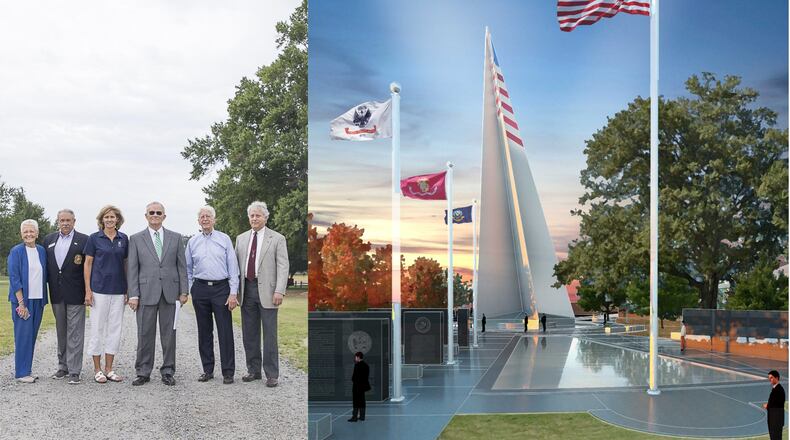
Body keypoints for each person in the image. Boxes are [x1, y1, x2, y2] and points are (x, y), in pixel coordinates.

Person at [127, 202, 188, 386]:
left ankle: (168, 370)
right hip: (146, 292)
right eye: (151, 212)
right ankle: (143, 371)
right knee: (144, 333)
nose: (155, 215)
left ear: (164, 216)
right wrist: (133, 295)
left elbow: (182, 266)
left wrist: (184, 290)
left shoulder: (175, 238)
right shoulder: (136, 239)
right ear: (146, 216)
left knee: (169, 334)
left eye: (158, 213)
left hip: (170, 292)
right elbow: (132, 269)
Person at [235, 201, 289, 387]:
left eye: (258, 215)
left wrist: (279, 290)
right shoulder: (241, 239)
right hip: (247, 290)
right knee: (249, 334)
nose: (255, 218)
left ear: (266, 217)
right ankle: (253, 370)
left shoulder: (277, 238)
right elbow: (235, 268)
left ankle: (271, 374)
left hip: (268, 291)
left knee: (269, 335)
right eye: (252, 215)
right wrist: (234, 292)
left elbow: (283, 266)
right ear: (248, 218)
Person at [186, 205, 239, 384]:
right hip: (200, 289)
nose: (205, 219)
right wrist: (190, 288)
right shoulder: (192, 242)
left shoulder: (224, 239)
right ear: (198, 221)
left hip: (221, 289)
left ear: (214, 219)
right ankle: (207, 370)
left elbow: (233, 268)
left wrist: (233, 293)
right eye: (202, 216)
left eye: (208, 216)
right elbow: (187, 269)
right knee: (204, 331)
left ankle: (228, 372)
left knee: (225, 331)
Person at [84, 205, 128, 384]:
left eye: (113, 217)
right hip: (98, 290)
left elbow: (126, 264)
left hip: (118, 290)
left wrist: (127, 289)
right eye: (106, 217)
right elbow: (87, 264)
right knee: (97, 329)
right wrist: (88, 290)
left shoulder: (123, 239)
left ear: (117, 220)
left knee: (114, 330)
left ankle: (109, 368)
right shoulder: (94, 239)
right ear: (102, 220)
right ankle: (97, 369)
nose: (110, 220)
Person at [43, 209, 88, 385]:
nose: (65, 223)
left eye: (68, 220)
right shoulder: (48, 240)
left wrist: (88, 291)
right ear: (58, 221)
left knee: (75, 333)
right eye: (62, 220)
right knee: (61, 331)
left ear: (74, 221)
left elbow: (88, 267)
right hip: (56, 293)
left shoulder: (84, 240)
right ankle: (63, 367)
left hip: (76, 293)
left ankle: (75, 370)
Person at [7, 219, 48, 383]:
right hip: (22, 301)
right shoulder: (16, 251)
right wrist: (21, 303)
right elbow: (14, 278)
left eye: (32, 231)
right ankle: (21, 373)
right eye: (26, 232)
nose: (29, 234)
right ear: (21, 234)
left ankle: (27, 370)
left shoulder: (41, 250)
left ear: (37, 234)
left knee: (31, 336)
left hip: (38, 299)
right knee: (23, 335)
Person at [348, 351, 370, 422]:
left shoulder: (357, 365)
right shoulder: (366, 365)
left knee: (356, 402)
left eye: (355, 357)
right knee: (362, 401)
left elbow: (354, 378)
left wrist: (354, 380)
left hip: (357, 387)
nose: (355, 358)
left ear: (358, 357)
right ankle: (362, 416)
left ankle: (354, 417)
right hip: (363, 387)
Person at [764, 370, 785, 440]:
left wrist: (767, 406)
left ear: (777, 378)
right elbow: (775, 402)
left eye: (772, 378)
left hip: (776, 420)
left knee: (776, 437)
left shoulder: (779, 389)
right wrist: (769, 405)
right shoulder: (776, 389)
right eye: (769, 378)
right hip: (774, 419)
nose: (770, 380)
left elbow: (778, 405)